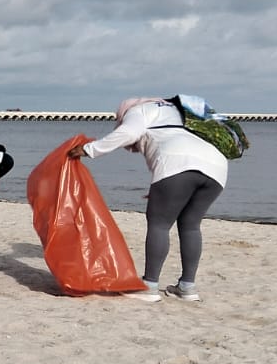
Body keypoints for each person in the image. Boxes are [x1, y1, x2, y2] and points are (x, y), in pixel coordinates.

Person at [67, 97, 227, 302]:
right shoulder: (177, 112)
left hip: (177, 161)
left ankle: (149, 285)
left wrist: (89, 149)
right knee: (191, 226)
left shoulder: (139, 110)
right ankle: (187, 287)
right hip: (217, 165)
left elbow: (128, 133)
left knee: (159, 224)